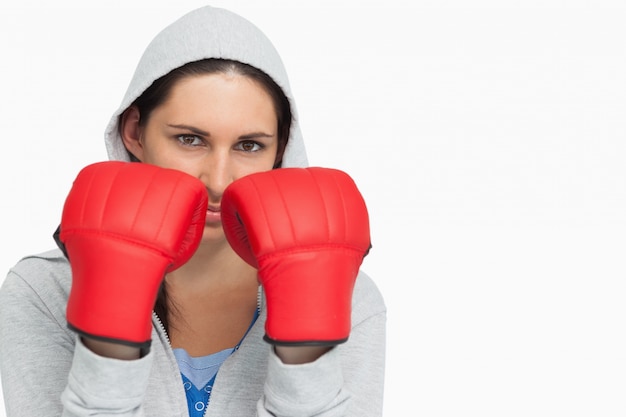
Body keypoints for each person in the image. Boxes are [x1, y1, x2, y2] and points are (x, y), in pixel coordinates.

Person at [0, 5, 386, 417]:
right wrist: (109, 343)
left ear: (281, 150)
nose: (218, 180)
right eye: (189, 139)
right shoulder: (44, 290)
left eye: (249, 146)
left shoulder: (346, 295)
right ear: (135, 132)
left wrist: (306, 351)